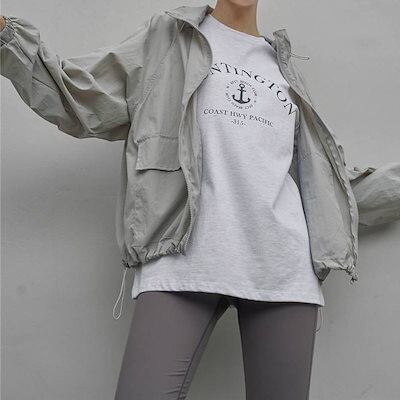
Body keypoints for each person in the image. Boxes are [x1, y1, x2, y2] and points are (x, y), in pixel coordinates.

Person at [1, 1, 399, 399]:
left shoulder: (283, 67)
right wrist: (7, 36)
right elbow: (79, 97)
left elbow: (327, 184)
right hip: (182, 259)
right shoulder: (168, 38)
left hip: (282, 270)